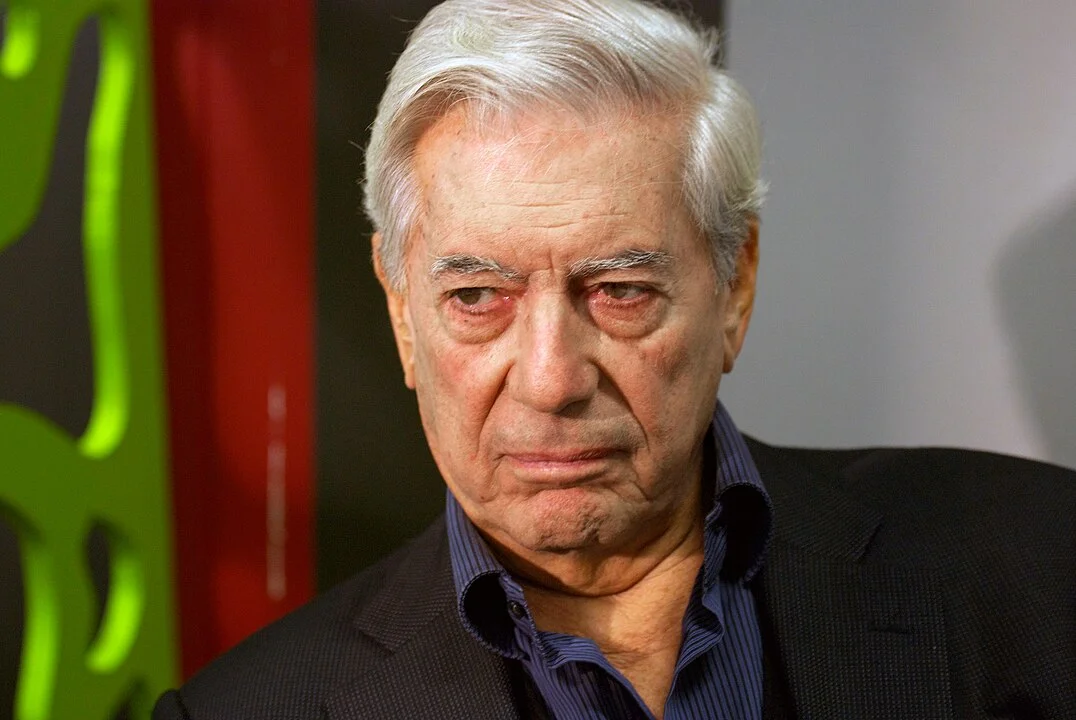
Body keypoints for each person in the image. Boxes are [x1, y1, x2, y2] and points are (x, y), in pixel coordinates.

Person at [153, 0, 1076, 718]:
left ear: (735, 285)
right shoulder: (242, 711)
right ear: (402, 311)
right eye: (477, 298)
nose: (551, 380)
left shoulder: (1042, 564)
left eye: (620, 291)